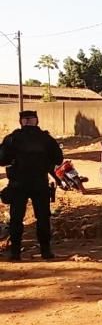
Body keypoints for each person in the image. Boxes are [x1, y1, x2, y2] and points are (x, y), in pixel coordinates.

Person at [0, 110, 63, 260]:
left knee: (16, 219)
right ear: (36, 120)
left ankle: (15, 253)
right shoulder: (46, 139)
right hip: (39, 183)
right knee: (42, 218)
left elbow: (1, 160)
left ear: (21, 121)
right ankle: (46, 252)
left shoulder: (12, 138)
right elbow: (58, 159)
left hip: (18, 184)